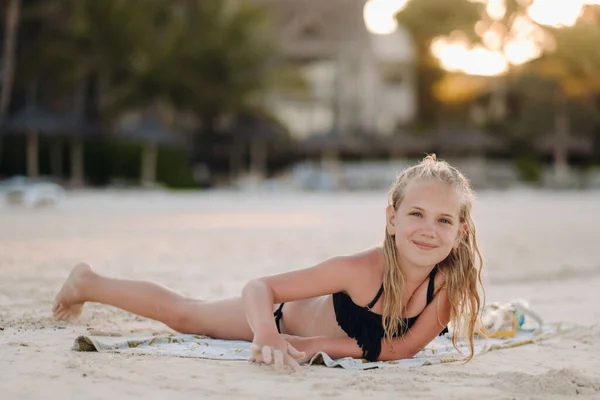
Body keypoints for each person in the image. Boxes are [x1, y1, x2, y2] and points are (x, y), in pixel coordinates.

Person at [53, 154, 484, 372]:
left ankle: (89, 282)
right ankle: (87, 282)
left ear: (460, 233)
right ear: (392, 220)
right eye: (416, 214)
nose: (429, 230)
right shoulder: (360, 269)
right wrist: (268, 334)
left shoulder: (447, 285)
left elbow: (403, 349)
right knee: (185, 314)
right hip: (279, 318)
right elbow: (259, 287)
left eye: (444, 220)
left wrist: (317, 347)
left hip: (303, 336)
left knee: (188, 314)